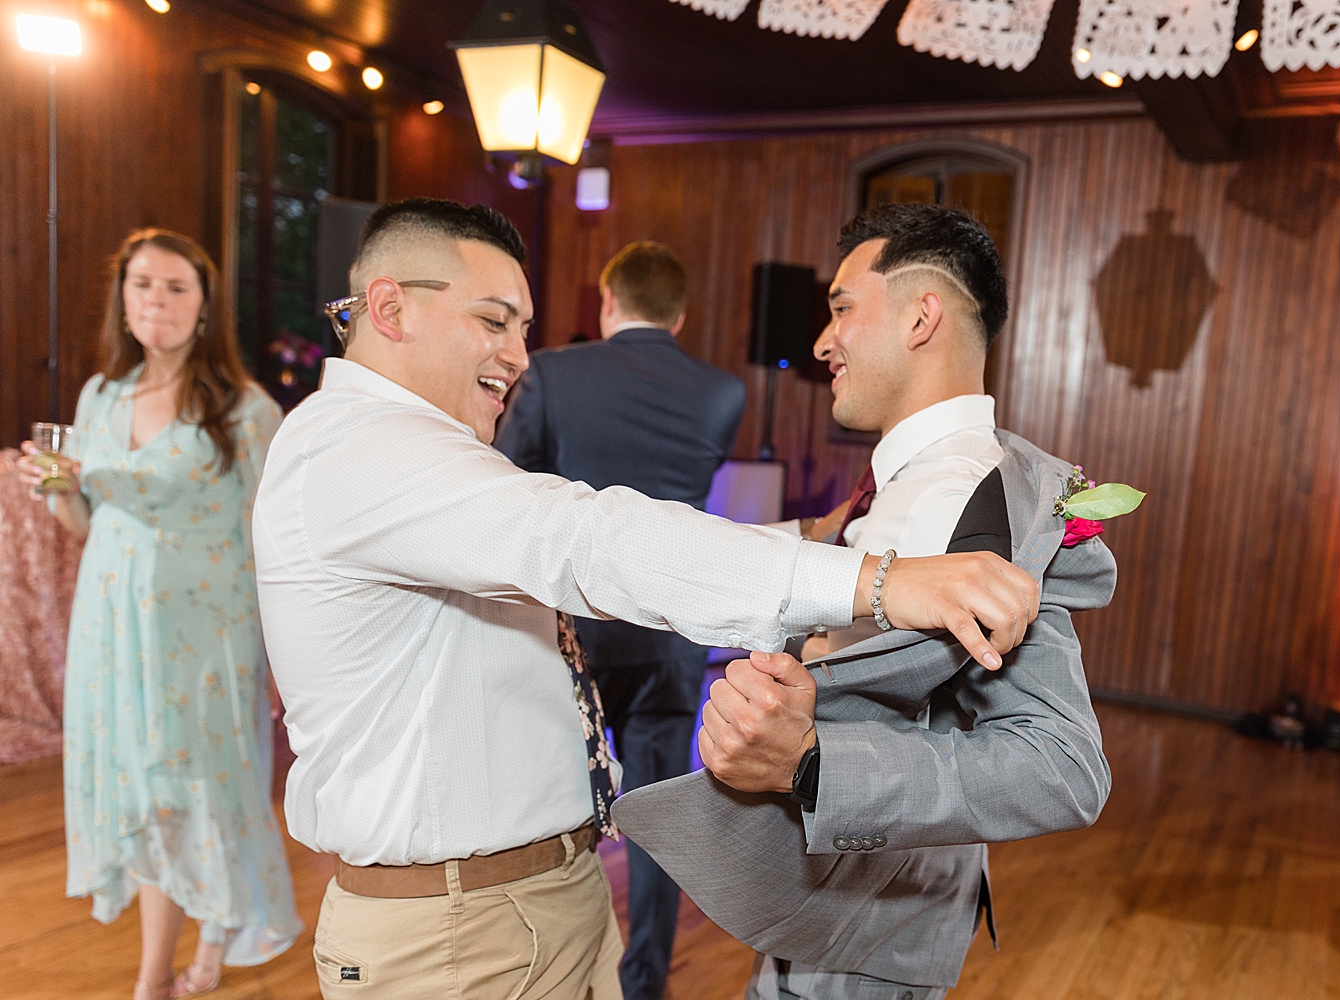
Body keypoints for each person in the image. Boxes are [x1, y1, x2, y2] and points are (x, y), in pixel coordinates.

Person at [252, 197, 1042, 1000]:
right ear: (389, 308)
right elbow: (577, 539)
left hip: (536, 901)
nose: (520, 355)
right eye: (494, 321)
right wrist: (878, 579)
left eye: (523, 327)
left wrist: (806, 534)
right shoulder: (354, 448)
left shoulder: (424, 454)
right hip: (455, 937)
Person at [612, 203, 1118, 1000]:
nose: (822, 342)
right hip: (820, 903)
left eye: (843, 307)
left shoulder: (989, 506)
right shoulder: (892, 489)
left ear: (923, 317)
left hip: (873, 934)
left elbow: (1060, 768)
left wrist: (815, 765)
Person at [17, 229, 302, 1000]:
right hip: (113, 624)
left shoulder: (245, 409)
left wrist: (281, 657)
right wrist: (59, 490)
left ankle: (183, 964)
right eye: (143, 284)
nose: (157, 300)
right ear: (123, 298)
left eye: (177, 286)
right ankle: (178, 965)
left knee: (203, 787)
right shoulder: (99, 397)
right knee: (142, 789)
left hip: (206, 632)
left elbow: (270, 537)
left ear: (205, 306)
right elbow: (89, 524)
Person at [497, 241, 746, 1000]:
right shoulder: (723, 391)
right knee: (662, 820)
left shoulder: (554, 372)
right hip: (669, 632)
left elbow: (508, 487)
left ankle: (555, 972)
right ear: (680, 315)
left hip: (571, 630)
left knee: (547, 806)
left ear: (608, 302)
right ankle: (644, 985)